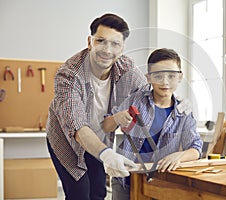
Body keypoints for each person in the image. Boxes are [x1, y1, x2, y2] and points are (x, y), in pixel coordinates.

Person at [46, 13, 150, 200]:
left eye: (115, 44)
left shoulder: (126, 67)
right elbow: (76, 125)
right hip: (67, 140)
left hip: (99, 138)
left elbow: (147, 96)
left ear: (122, 48)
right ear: (90, 42)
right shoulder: (69, 75)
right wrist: (107, 154)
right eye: (101, 41)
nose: (107, 50)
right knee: (79, 194)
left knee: (98, 193)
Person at [102, 48, 203, 200]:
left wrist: (179, 156)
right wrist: (116, 118)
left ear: (180, 77)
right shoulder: (135, 100)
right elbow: (105, 126)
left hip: (160, 182)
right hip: (126, 180)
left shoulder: (184, 111)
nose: (165, 82)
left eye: (171, 76)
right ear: (148, 77)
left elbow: (196, 148)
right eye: (158, 76)